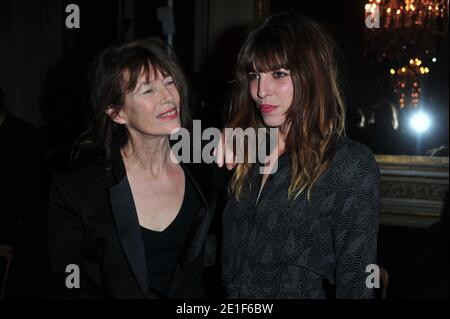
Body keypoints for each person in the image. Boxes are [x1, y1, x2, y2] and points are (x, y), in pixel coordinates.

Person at [218, 13, 381, 299]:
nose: (260, 91)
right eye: (254, 75)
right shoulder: (243, 152)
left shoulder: (348, 163)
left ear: (312, 75)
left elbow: (358, 282)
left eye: (279, 74)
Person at [42, 38, 218, 298]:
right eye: (147, 90)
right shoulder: (78, 187)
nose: (168, 97)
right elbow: (67, 284)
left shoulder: (205, 165)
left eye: (169, 82)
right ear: (116, 113)